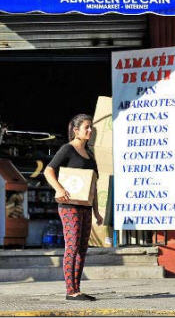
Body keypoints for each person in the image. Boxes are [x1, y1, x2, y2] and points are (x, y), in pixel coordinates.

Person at [44, 114, 103, 301]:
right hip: (69, 205)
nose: (90, 130)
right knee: (72, 246)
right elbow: (48, 170)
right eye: (86, 127)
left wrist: (97, 211)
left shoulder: (90, 155)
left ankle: (77, 288)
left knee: (82, 248)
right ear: (76, 130)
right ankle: (71, 291)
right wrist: (59, 188)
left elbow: (92, 185)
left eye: (91, 127)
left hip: (85, 207)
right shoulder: (67, 149)